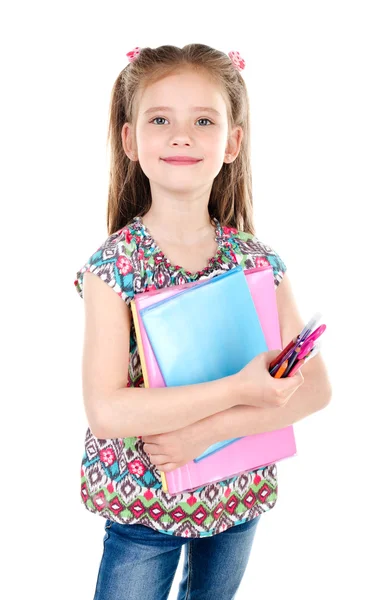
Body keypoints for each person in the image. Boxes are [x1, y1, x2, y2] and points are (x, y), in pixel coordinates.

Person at [74, 44, 332, 600]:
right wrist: (242, 389)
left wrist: (208, 432)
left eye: (204, 120)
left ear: (233, 142)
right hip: (143, 504)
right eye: (160, 119)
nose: (181, 135)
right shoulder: (114, 268)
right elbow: (107, 411)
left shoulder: (257, 261)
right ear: (129, 139)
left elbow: (315, 389)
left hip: (236, 496)